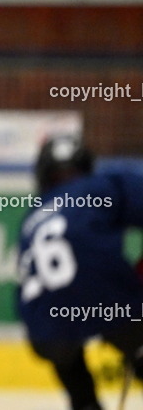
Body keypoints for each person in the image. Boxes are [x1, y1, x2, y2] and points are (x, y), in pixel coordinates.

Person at [17, 135, 143, 410]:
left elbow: (23, 290)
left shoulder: (32, 217)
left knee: (66, 358)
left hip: (45, 319)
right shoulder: (102, 185)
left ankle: (85, 404)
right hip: (108, 297)